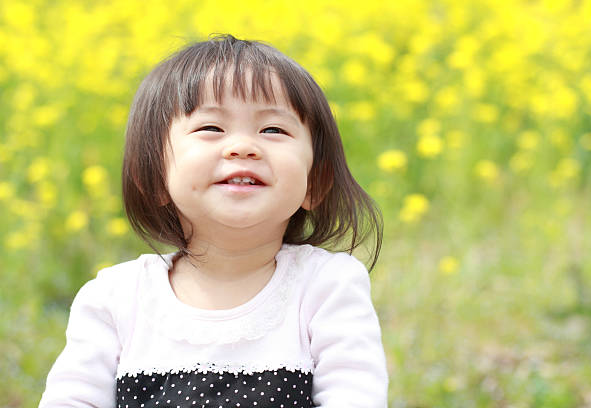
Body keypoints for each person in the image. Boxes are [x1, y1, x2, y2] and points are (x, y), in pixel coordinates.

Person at [39, 34, 387, 408]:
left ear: (313, 184)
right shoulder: (115, 299)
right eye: (211, 128)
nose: (243, 146)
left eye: (273, 130)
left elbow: (354, 396)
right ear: (156, 176)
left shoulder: (325, 287)